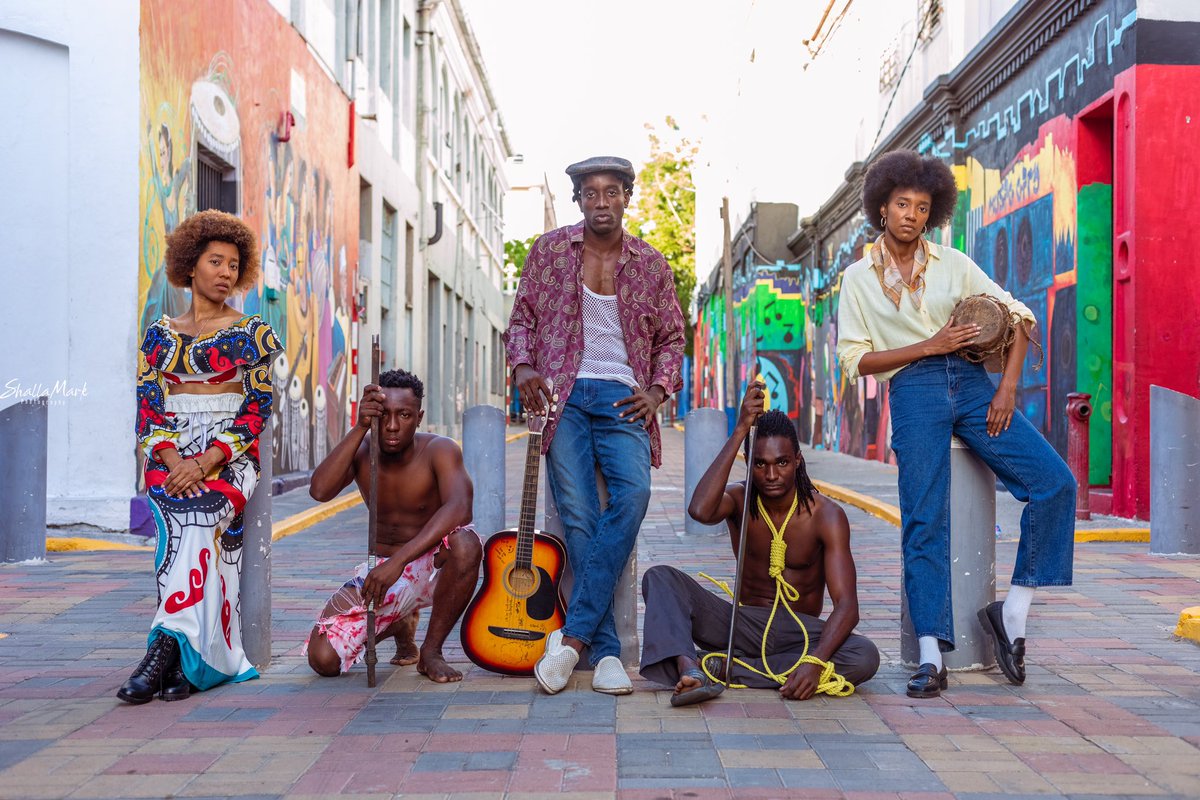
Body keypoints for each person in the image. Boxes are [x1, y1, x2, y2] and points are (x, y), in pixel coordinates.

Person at [836, 149, 1076, 698]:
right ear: (881, 207)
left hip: (972, 387)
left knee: (1054, 482)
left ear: (933, 212)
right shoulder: (857, 279)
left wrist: (1007, 389)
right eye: (902, 204)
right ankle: (931, 655)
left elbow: (1019, 315)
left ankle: (1012, 614)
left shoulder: (954, 263)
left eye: (922, 207)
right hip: (913, 390)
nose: (912, 215)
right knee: (924, 519)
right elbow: (856, 360)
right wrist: (929, 344)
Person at [505, 156, 687, 695]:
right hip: (561, 396)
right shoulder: (549, 251)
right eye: (590, 192)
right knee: (580, 516)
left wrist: (657, 391)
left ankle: (573, 637)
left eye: (611, 191)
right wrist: (523, 367)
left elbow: (673, 337)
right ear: (578, 199)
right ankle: (606, 653)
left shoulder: (650, 263)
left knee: (633, 495)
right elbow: (522, 318)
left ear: (627, 196)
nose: (601, 201)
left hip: (623, 396)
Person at [124, 210, 282, 704]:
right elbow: (148, 411)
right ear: (190, 265)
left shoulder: (252, 332)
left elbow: (256, 409)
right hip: (169, 459)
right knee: (185, 523)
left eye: (234, 265)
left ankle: (162, 650)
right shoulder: (159, 335)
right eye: (216, 261)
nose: (226, 273)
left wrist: (207, 461)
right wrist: (177, 464)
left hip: (229, 458)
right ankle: (187, 664)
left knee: (198, 517)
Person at [642, 387, 880, 706]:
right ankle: (691, 670)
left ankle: (725, 668)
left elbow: (847, 606)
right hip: (742, 625)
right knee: (659, 578)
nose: (771, 475)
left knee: (864, 655)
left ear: (798, 461)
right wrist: (740, 430)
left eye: (782, 462)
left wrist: (815, 662)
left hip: (797, 633)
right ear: (748, 463)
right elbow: (699, 510)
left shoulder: (826, 516)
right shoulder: (740, 499)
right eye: (760, 464)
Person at [303, 370, 482, 683]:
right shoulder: (362, 450)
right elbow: (319, 490)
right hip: (382, 575)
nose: (392, 426)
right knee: (323, 659)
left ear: (419, 417)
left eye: (404, 415)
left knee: (466, 543)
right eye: (383, 415)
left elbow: (460, 508)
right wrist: (360, 427)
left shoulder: (440, 450)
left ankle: (431, 652)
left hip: (433, 567)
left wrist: (399, 562)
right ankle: (399, 622)